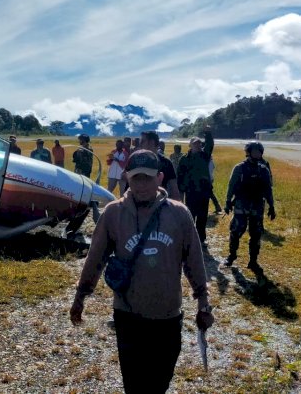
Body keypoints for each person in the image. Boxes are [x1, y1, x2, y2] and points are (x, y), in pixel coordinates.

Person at [70, 150, 215, 394]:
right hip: (128, 316)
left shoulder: (179, 214)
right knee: (134, 384)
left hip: (167, 316)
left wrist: (203, 302)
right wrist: (80, 297)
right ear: (127, 177)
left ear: (159, 178)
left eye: (147, 178)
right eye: (136, 178)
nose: (141, 184)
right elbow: (95, 259)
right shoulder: (113, 214)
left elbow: (194, 262)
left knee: (160, 381)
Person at [224, 141, 275, 272]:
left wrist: (272, 206)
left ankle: (253, 261)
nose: (257, 154)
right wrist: (228, 201)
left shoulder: (264, 170)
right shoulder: (239, 168)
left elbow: (268, 189)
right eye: (255, 151)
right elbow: (231, 186)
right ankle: (232, 255)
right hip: (241, 204)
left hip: (257, 206)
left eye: (259, 151)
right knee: (236, 231)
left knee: (256, 234)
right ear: (248, 152)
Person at [177, 137, 216, 244]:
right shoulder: (184, 159)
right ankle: (188, 237)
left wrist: (208, 133)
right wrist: (180, 191)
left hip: (203, 192)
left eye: (199, 144)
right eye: (195, 144)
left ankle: (201, 238)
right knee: (190, 215)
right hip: (191, 192)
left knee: (202, 216)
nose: (198, 145)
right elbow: (180, 175)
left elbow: (210, 145)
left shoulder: (205, 156)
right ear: (190, 145)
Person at [140, 130, 181, 201]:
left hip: (161, 205)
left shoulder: (166, 163)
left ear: (151, 142)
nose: (140, 144)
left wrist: (176, 209)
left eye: (143, 141)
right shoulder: (136, 161)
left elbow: (174, 190)